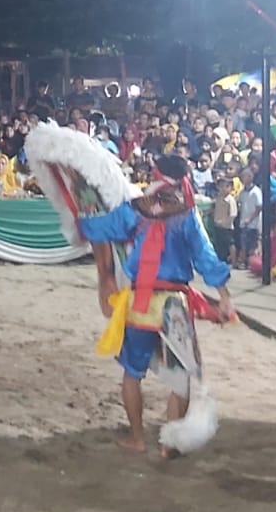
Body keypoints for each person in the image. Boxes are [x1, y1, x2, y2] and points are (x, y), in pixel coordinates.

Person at [79, 155, 235, 457]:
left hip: (140, 303)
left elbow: (95, 229)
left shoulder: (135, 210)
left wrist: (81, 215)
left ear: (155, 175)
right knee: (180, 378)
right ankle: (169, 444)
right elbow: (206, 259)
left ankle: (137, 438)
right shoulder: (187, 215)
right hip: (174, 305)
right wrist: (224, 295)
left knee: (132, 372)